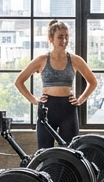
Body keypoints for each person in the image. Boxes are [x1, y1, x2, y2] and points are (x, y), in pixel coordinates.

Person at [15, 20, 98, 150]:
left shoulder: (75, 60)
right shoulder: (42, 60)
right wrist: (34, 100)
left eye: (66, 37)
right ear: (50, 38)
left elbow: (93, 82)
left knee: (70, 151)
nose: (64, 40)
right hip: (47, 108)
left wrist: (81, 99)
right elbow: (19, 81)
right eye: (60, 37)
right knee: (44, 151)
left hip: (68, 109)